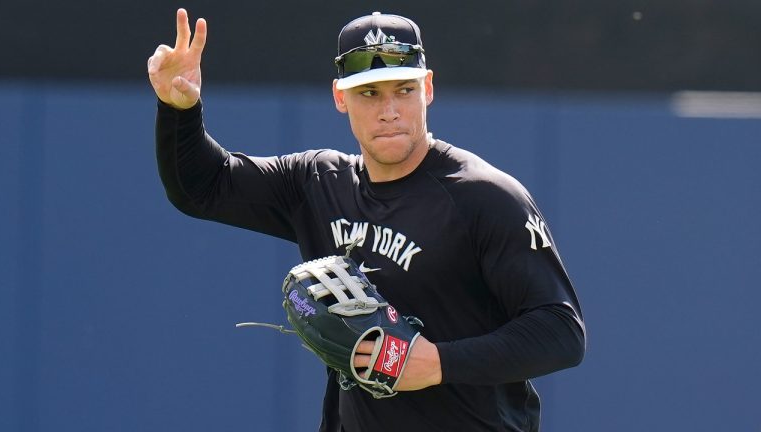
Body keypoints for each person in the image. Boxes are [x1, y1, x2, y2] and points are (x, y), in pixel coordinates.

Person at [148, 8, 585, 432]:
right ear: (341, 97)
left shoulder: (484, 196)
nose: (389, 110)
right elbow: (203, 187)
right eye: (370, 93)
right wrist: (177, 107)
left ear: (427, 88)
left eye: (403, 89)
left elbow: (560, 331)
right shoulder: (318, 183)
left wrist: (436, 363)